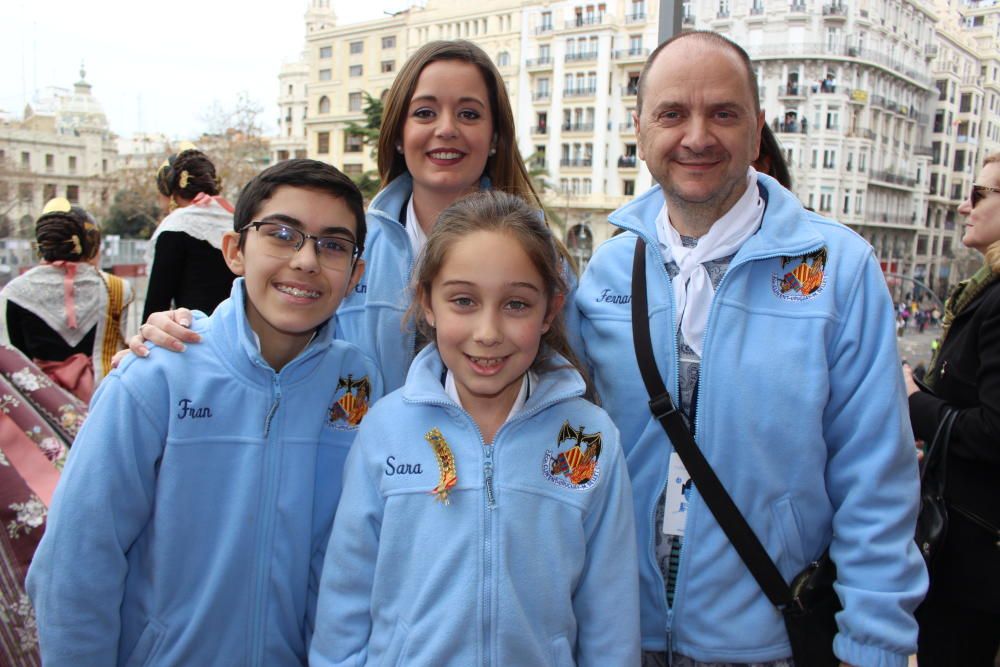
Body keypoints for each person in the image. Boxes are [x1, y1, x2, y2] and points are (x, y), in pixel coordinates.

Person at [572, 31, 926, 666]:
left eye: (724, 113)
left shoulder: (838, 268)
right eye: (673, 113)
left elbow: (876, 479)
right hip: (620, 637)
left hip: (769, 641)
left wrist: (874, 647)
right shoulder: (605, 269)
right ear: (641, 130)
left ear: (758, 132)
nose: (698, 136)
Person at [27, 159, 382, 666]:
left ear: (355, 275)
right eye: (282, 234)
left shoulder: (359, 385)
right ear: (235, 251)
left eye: (333, 244)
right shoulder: (157, 374)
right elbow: (75, 565)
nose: (306, 260)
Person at [309, 190, 639, 666]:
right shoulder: (385, 428)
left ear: (550, 310)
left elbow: (610, 619)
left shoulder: (591, 437)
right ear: (427, 302)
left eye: (516, 305)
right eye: (463, 300)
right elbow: (345, 599)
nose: (488, 332)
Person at [130, 41, 567, 393]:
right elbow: (270, 320)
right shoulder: (343, 244)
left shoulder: (538, 251)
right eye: (425, 112)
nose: (446, 128)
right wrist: (183, 331)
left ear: (495, 137)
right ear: (398, 134)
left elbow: (568, 374)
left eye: (469, 114)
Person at [903, 152, 1000, 666]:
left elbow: (992, 432)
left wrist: (917, 402)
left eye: (981, 194)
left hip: (974, 552)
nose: (965, 205)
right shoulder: (984, 293)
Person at [1, 198, 132, 401]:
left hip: (42, 402)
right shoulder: (117, 288)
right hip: (103, 397)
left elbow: (17, 358)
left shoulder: (15, 291)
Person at [143, 143, 236, 321]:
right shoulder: (236, 221)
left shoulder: (175, 226)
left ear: (169, 190)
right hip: (239, 334)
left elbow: (157, 303)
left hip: (192, 335)